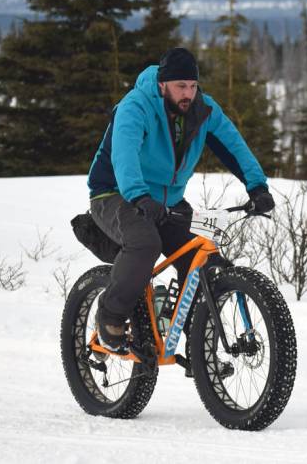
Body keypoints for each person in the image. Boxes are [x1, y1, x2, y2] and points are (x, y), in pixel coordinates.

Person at [86, 47, 275, 350]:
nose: (188, 93)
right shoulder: (136, 106)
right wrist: (139, 196)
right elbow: (125, 156)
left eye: (192, 85)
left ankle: (196, 340)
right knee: (146, 243)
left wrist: (257, 187)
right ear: (163, 85)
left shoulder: (202, 110)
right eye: (180, 86)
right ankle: (110, 314)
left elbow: (233, 146)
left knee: (204, 260)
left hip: (168, 202)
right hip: (115, 194)